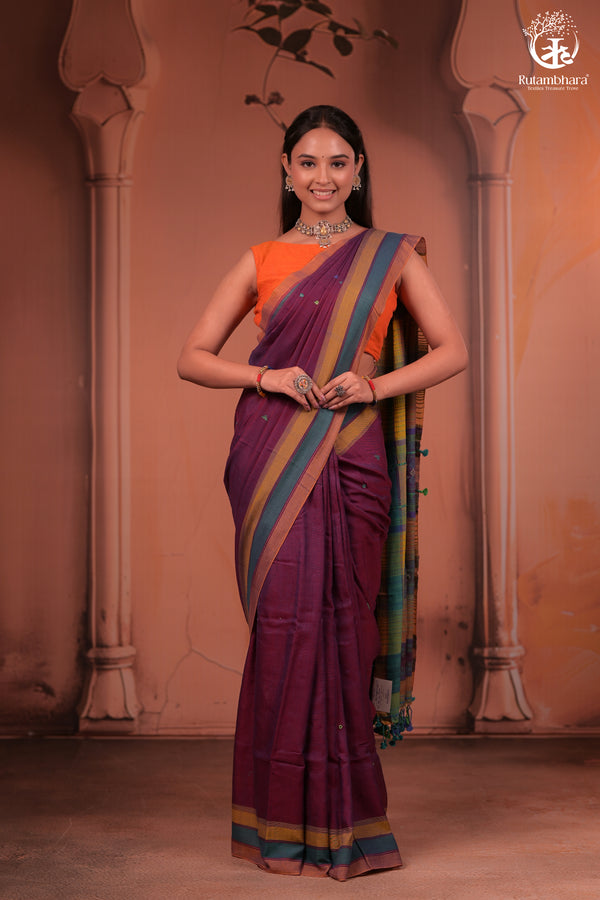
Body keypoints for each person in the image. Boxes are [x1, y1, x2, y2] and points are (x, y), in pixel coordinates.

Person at [178, 105, 468, 880]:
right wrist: (263, 375)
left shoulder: (390, 257)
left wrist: (372, 388)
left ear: (359, 171)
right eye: (308, 162)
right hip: (271, 454)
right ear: (285, 172)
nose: (323, 178)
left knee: (343, 632)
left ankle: (347, 825)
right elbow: (194, 357)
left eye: (339, 162)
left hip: (353, 456)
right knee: (283, 631)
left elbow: (453, 349)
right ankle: (279, 826)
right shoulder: (263, 256)